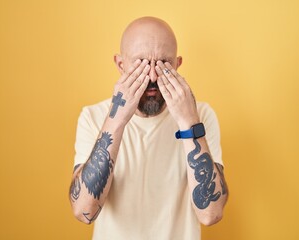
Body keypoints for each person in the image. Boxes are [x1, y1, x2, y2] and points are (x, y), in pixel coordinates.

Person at [69, 16, 228, 240]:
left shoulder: (201, 117)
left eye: (164, 64)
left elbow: (210, 214)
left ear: (177, 64)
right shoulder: (93, 117)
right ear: (120, 64)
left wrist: (189, 122)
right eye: (141, 64)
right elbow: (84, 211)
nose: (153, 76)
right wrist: (117, 119)